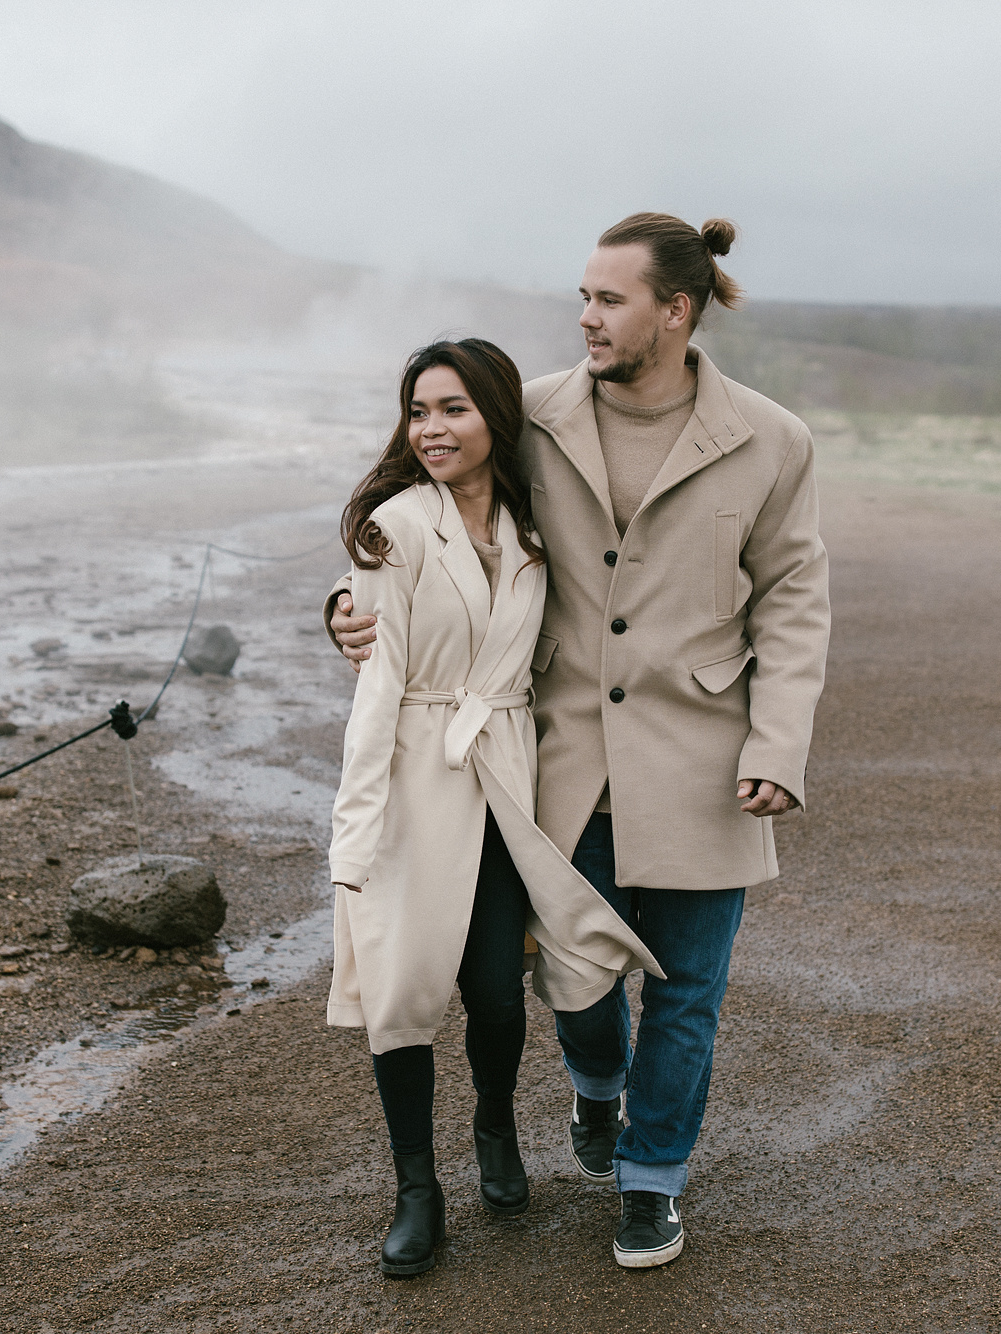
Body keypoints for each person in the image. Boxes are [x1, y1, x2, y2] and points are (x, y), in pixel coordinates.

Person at [330, 214, 830, 1269]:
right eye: (584, 298)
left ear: (675, 311)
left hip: (708, 759)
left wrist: (777, 745)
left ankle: (652, 1181)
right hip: (557, 758)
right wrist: (348, 600)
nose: (587, 318)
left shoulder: (773, 440)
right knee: (579, 978)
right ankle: (596, 1086)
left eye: (609, 300)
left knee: (688, 992)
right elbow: (434, 507)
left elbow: (792, 598)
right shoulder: (536, 415)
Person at [328, 337, 661, 1279]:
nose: (431, 429)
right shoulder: (392, 527)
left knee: (492, 987)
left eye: (454, 410)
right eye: (419, 412)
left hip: (508, 771)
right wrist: (355, 831)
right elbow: (377, 688)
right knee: (403, 990)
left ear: (496, 418)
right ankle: (415, 1190)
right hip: (412, 776)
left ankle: (495, 1129)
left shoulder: (536, 526)